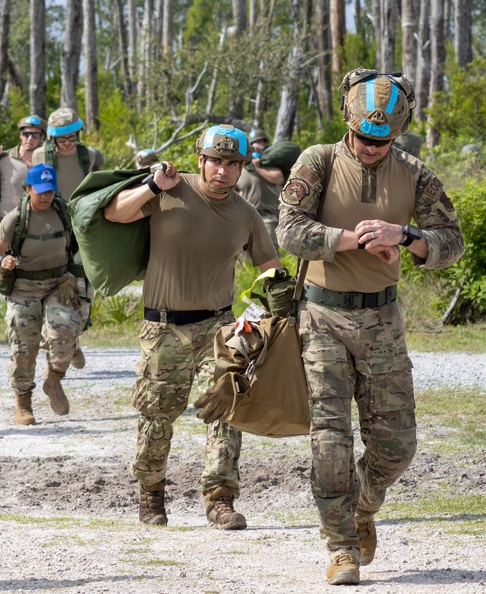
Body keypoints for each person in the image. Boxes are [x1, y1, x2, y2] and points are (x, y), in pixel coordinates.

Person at [277, 69, 464, 586]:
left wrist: (405, 235)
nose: (370, 148)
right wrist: (352, 239)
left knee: (397, 444)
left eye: (383, 141)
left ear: (398, 133)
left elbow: (451, 242)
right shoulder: (317, 161)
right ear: (348, 124)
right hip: (321, 316)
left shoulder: (416, 174)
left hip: (383, 319)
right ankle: (340, 546)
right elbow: (289, 230)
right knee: (330, 439)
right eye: (362, 138)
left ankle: (363, 504)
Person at [103, 124, 282, 531]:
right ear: (200, 160)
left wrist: (262, 312)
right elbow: (115, 212)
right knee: (156, 416)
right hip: (163, 328)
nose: (223, 170)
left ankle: (219, 499)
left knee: (227, 407)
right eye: (215, 161)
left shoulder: (246, 214)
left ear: (242, 167)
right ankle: (151, 494)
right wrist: (152, 185)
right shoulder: (170, 188)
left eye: (232, 163)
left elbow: (269, 268)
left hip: (217, 327)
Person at [0, 163, 83, 425]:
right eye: (40, 191)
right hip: (23, 289)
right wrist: (2, 261)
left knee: (64, 336)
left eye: (50, 191)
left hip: (57, 284)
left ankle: (53, 381)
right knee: (23, 349)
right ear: (27, 190)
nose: (46, 196)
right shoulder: (15, 219)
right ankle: (23, 402)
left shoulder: (64, 213)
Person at [32, 108, 97, 369]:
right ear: (52, 139)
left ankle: (74, 340)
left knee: (84, 291)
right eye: (62, 139)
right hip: (51, 229)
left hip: (83, 231)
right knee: (49, 286)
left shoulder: (89, 156)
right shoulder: (41, 156)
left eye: (72, 137)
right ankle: (59, 342)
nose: (68, 143)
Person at [236, 129, 302, 250]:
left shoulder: (270, 164)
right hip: (245, 217)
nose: (256, 146)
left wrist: (259, 168)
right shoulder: (242, 168)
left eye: (260, 142)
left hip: (267, 217)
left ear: (266, 143)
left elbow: (279, 179)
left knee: (268, 253)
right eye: (253, 143)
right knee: (243, 257)